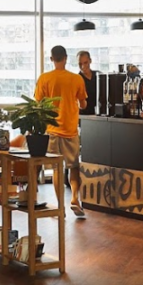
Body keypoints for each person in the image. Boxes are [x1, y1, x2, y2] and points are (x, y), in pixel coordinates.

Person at [34, 45, 88, 217]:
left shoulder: (44, 78)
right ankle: (74, 199)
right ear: (66, 58)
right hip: (70, 129)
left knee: (57, 169)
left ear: (51, 59)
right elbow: (83, 104)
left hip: (52, 130)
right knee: (74, 167)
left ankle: (60, 207)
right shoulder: (76, 79)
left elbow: (38, 103)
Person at [77, 50, 97, 116]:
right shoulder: (77, 79)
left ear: (90, 61)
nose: (83, 66)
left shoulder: (98, 75)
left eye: (85, 63)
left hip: (99, 114)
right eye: (80, 64)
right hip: (84, 115)